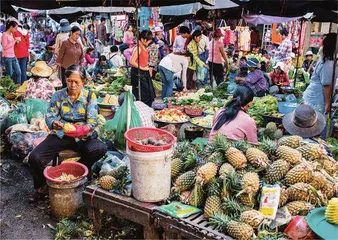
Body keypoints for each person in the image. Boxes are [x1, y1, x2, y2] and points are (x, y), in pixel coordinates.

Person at [28, 64, 107, 202]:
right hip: (61, 134)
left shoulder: (89, 96)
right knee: (35, 157)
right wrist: (54, 123)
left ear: (83, 82)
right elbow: (50, 116)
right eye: (70, 81)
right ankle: (43, 187)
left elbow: (92, 121)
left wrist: (82, 129)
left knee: (100, 148)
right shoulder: (58, 95)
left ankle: (74, 171)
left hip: (82, 136)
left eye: (77, 82)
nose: (73, 85)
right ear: (65, 79)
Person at [304, 33, 338, 114]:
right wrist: (328, 103)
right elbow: (326, 84)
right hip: (317, 97)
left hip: (317, 95)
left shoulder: (329, 59)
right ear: (333, 45)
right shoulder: (327, 63)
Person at [129, 30, 155, 107]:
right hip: (139, 73)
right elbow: (132, 62)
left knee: (149, 93)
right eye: (148, 41)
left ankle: (146, 109)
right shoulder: (138, 48)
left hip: (144, 72)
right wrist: (142, 68)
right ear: (143, 39)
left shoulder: (144, 47)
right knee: (143, 94)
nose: (149, 43)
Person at [1, 20, 21, 84]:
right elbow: (5, 47)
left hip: (13, 56)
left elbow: (11, 45)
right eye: (15, 28)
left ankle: (18, 88)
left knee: (19, 73)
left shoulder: (11, 34)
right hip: (7, 57)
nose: (16, 30)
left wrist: (16, 41)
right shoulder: (4, 35)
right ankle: (10, 90)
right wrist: (14, 41)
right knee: (9, 75)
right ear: (11, 27)